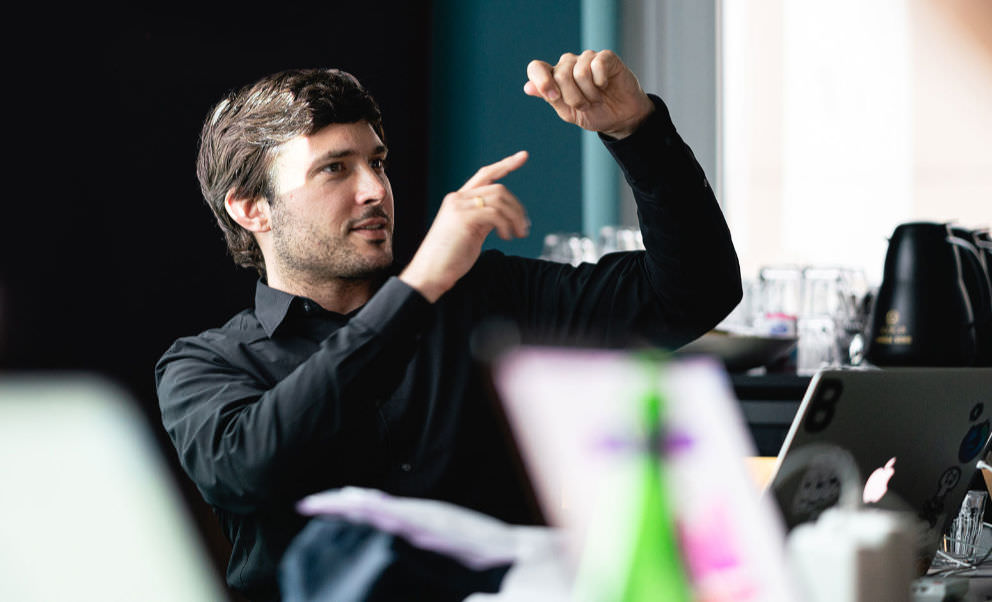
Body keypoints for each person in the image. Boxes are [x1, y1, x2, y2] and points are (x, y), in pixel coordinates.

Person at [156, 49, 741, 601]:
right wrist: (417, 289)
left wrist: (635, 131)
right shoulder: (204, 364)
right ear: (250, 207)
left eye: (377, 163)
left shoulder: (486, 297)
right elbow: (248, 468)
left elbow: (692, 294)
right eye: (335, 169)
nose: (374, 190)